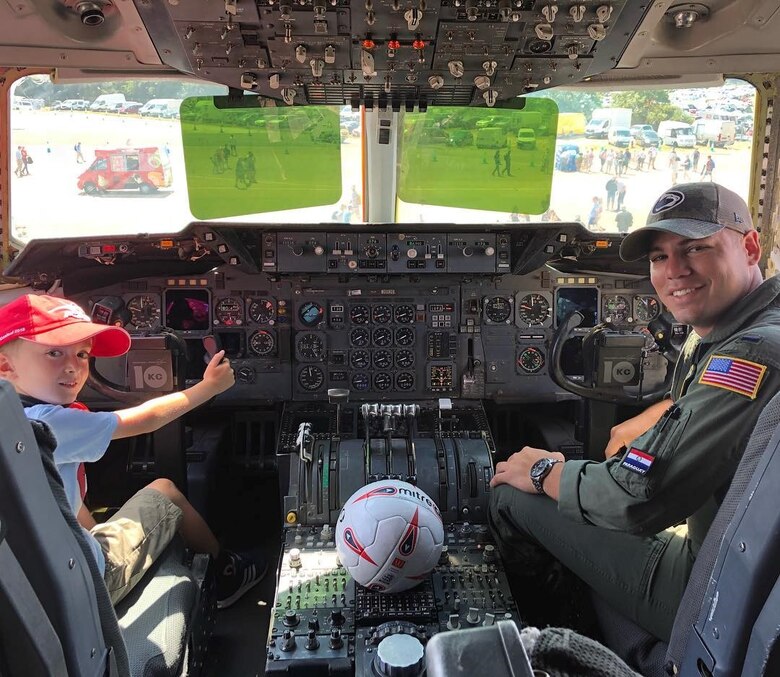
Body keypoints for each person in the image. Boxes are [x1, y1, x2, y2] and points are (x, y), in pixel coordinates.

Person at [489, 182, 780, 643]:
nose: (675, 271)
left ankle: (561, 647)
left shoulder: (752, 354)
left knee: (511, 497)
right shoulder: (745, 330)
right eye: (659, 257)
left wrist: (546, 470)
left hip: (721, 595)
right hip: (756, 571)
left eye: (696, 249)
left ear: (749, 246)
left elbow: (637, 501)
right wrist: (665, 413)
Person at [0, 295, 267, 609]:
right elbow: (146, 419)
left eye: (83, 354)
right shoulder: (49, 423)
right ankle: (225, 578)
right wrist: (209, 387)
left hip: (30, 587)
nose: (73, 367)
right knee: (165, 492)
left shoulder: (14, 419)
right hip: (88, 583)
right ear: (5, 365)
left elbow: (64, 499)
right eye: (54, 352)